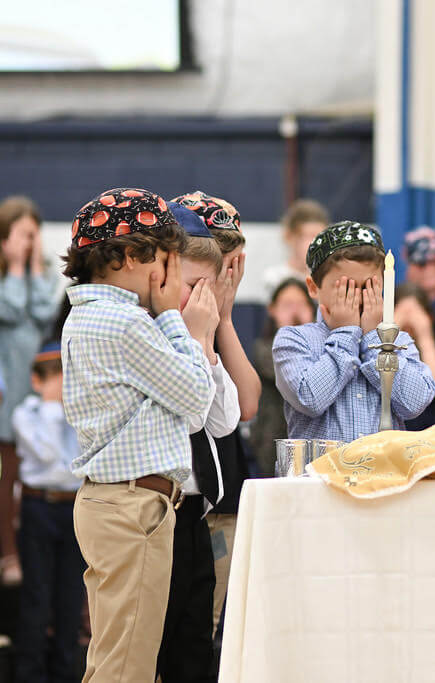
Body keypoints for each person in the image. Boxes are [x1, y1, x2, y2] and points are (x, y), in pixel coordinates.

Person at [61, 187, 216, 682]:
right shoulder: (125, 322)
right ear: (129, 256)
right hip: (133, 508)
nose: (167, 277)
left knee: (117, 657)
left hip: (116, 505)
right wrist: (175, 317)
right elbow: (196, 401)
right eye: (164, 261)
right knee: (126, 666)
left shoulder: (87, 316)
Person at [155, 202, 241, 683]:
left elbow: (224, 421)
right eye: (192, 287)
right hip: (153, 510)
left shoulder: (196, 329)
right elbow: (186, 414)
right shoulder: (151, 332)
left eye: (208, 288)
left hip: (194, 511)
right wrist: (193, 338)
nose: (200, 299)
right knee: (151, 647)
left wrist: (205, 344)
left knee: (193, 647)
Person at [173, 190, 261, 643]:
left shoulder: (215, 314)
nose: (224, 276)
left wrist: (222, 319)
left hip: (220, 492)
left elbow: (246, 404)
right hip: (172, 493)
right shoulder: (167, 316)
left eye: (231, 264)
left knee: (207, 627)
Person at [273, 221, 435, 441]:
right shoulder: (293, 339)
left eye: (369, 287)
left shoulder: (399, 341)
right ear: (313, 287)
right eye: (346, 288)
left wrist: (373, 339)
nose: (358, 297)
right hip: (320, 474)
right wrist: (346, 333)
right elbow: (310, 399)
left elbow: (414, 403)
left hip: (383, 473)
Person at [13, 341, 84, 683]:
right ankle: (30, 675)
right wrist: (55, 409)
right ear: (35, 381)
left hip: (74, 508)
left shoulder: (81, 411)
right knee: (37, 596)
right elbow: (46, 454)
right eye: (50, 376)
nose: (58, 383)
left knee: (71, 595)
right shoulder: (25, 413)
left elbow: (79, 463)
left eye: (63, 375)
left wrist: (66, 406)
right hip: (39, 506)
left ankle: (65, 673)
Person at [0, 195, 58, 585]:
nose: (28, 242)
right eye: (21, 236)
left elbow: (41, 313)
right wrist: (16, 267)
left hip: (35, 397)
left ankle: (32, 559)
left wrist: (34, 265)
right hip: (6, 395)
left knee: (32, 478)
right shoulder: (7, 278)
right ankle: (8, 554)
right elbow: (10, 308)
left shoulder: (45, 274)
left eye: (33, 236)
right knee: (6, 481)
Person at [250, 278, 316, 475]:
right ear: (272, 310)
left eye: (301, 304)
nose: (295, 312)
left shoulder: (323, 348)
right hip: (271, 445)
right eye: (287, 305)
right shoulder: (263, 348)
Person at [394, 281, 435, 430]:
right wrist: (394, 331)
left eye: (415, 313)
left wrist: (424, 335)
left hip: (434, 433)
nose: (409, 320)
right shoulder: (381, 348)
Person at [262, 198, 329, 299]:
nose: (315, 244)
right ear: (289, 237)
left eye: (320, 237)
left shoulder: (328, 278)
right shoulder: (274, 278)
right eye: (307, 236)